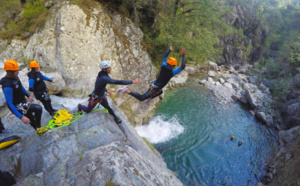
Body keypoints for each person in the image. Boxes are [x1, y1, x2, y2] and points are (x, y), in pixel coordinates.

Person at [116, 44, 186, 103]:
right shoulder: (172, 72)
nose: (174, 67)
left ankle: (148, 100)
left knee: (161, 91)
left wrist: (169, 51)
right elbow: (182, 67)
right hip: (155, 88)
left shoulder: (163, 65)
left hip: (155, 84)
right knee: (141, 98)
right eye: (174, 66)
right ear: (172, 66)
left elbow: (165, 57)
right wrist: (183, 56)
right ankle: (125, 90)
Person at [0, 59, 47, 136]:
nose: (18, 72)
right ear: (9, 72)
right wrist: (21, 117)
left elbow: (20, 86)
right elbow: (10, 103)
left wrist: (28, 95)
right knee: (38, 108)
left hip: (22, 101)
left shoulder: (14, 77)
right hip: (17, 105)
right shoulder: (7, 86)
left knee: (30, 117)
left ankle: (37, 129)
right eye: (16, 71)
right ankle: (38, 127)